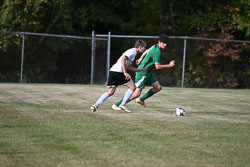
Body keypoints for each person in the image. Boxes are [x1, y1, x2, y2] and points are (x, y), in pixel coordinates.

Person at [112, 34, 175, 110]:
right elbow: (157, 67)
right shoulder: (157, 51)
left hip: (147, 72)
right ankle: (117, 104)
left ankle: (140, 100)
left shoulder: (155, 46)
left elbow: (147, 51)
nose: (165, 44)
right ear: (159, 42)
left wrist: (141, 58)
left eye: (166, 43)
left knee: (158, 87)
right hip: (142, 73)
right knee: (136, 93)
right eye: (163, 42)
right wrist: (169, 65)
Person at [90, 40, 147, 112]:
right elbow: (123, 59)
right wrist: (125, 72)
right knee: (133, 87)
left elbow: (128, 66)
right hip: (119, 72)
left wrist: (138, 70)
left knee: (110, 92)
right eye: (144, 48)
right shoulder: (133, 51)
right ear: (140, 47)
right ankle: (123, 104)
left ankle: (95, 105)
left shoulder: (133, 52)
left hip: (113, 71)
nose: (144, 49)